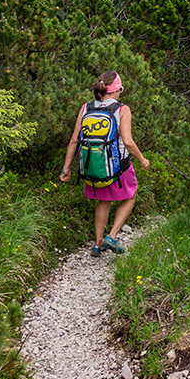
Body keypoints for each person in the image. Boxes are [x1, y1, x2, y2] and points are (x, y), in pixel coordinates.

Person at [60, 71, 150, 256]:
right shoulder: (122, 109)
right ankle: (112, 236)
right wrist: (142, 159)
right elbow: (128, 141)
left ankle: (97, 244)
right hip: (119, 165)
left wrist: (66, 168)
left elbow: (74, 140)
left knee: (104, 200)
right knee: (130, 196)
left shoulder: (87, 108)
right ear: (116, 89)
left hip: (95, 165)